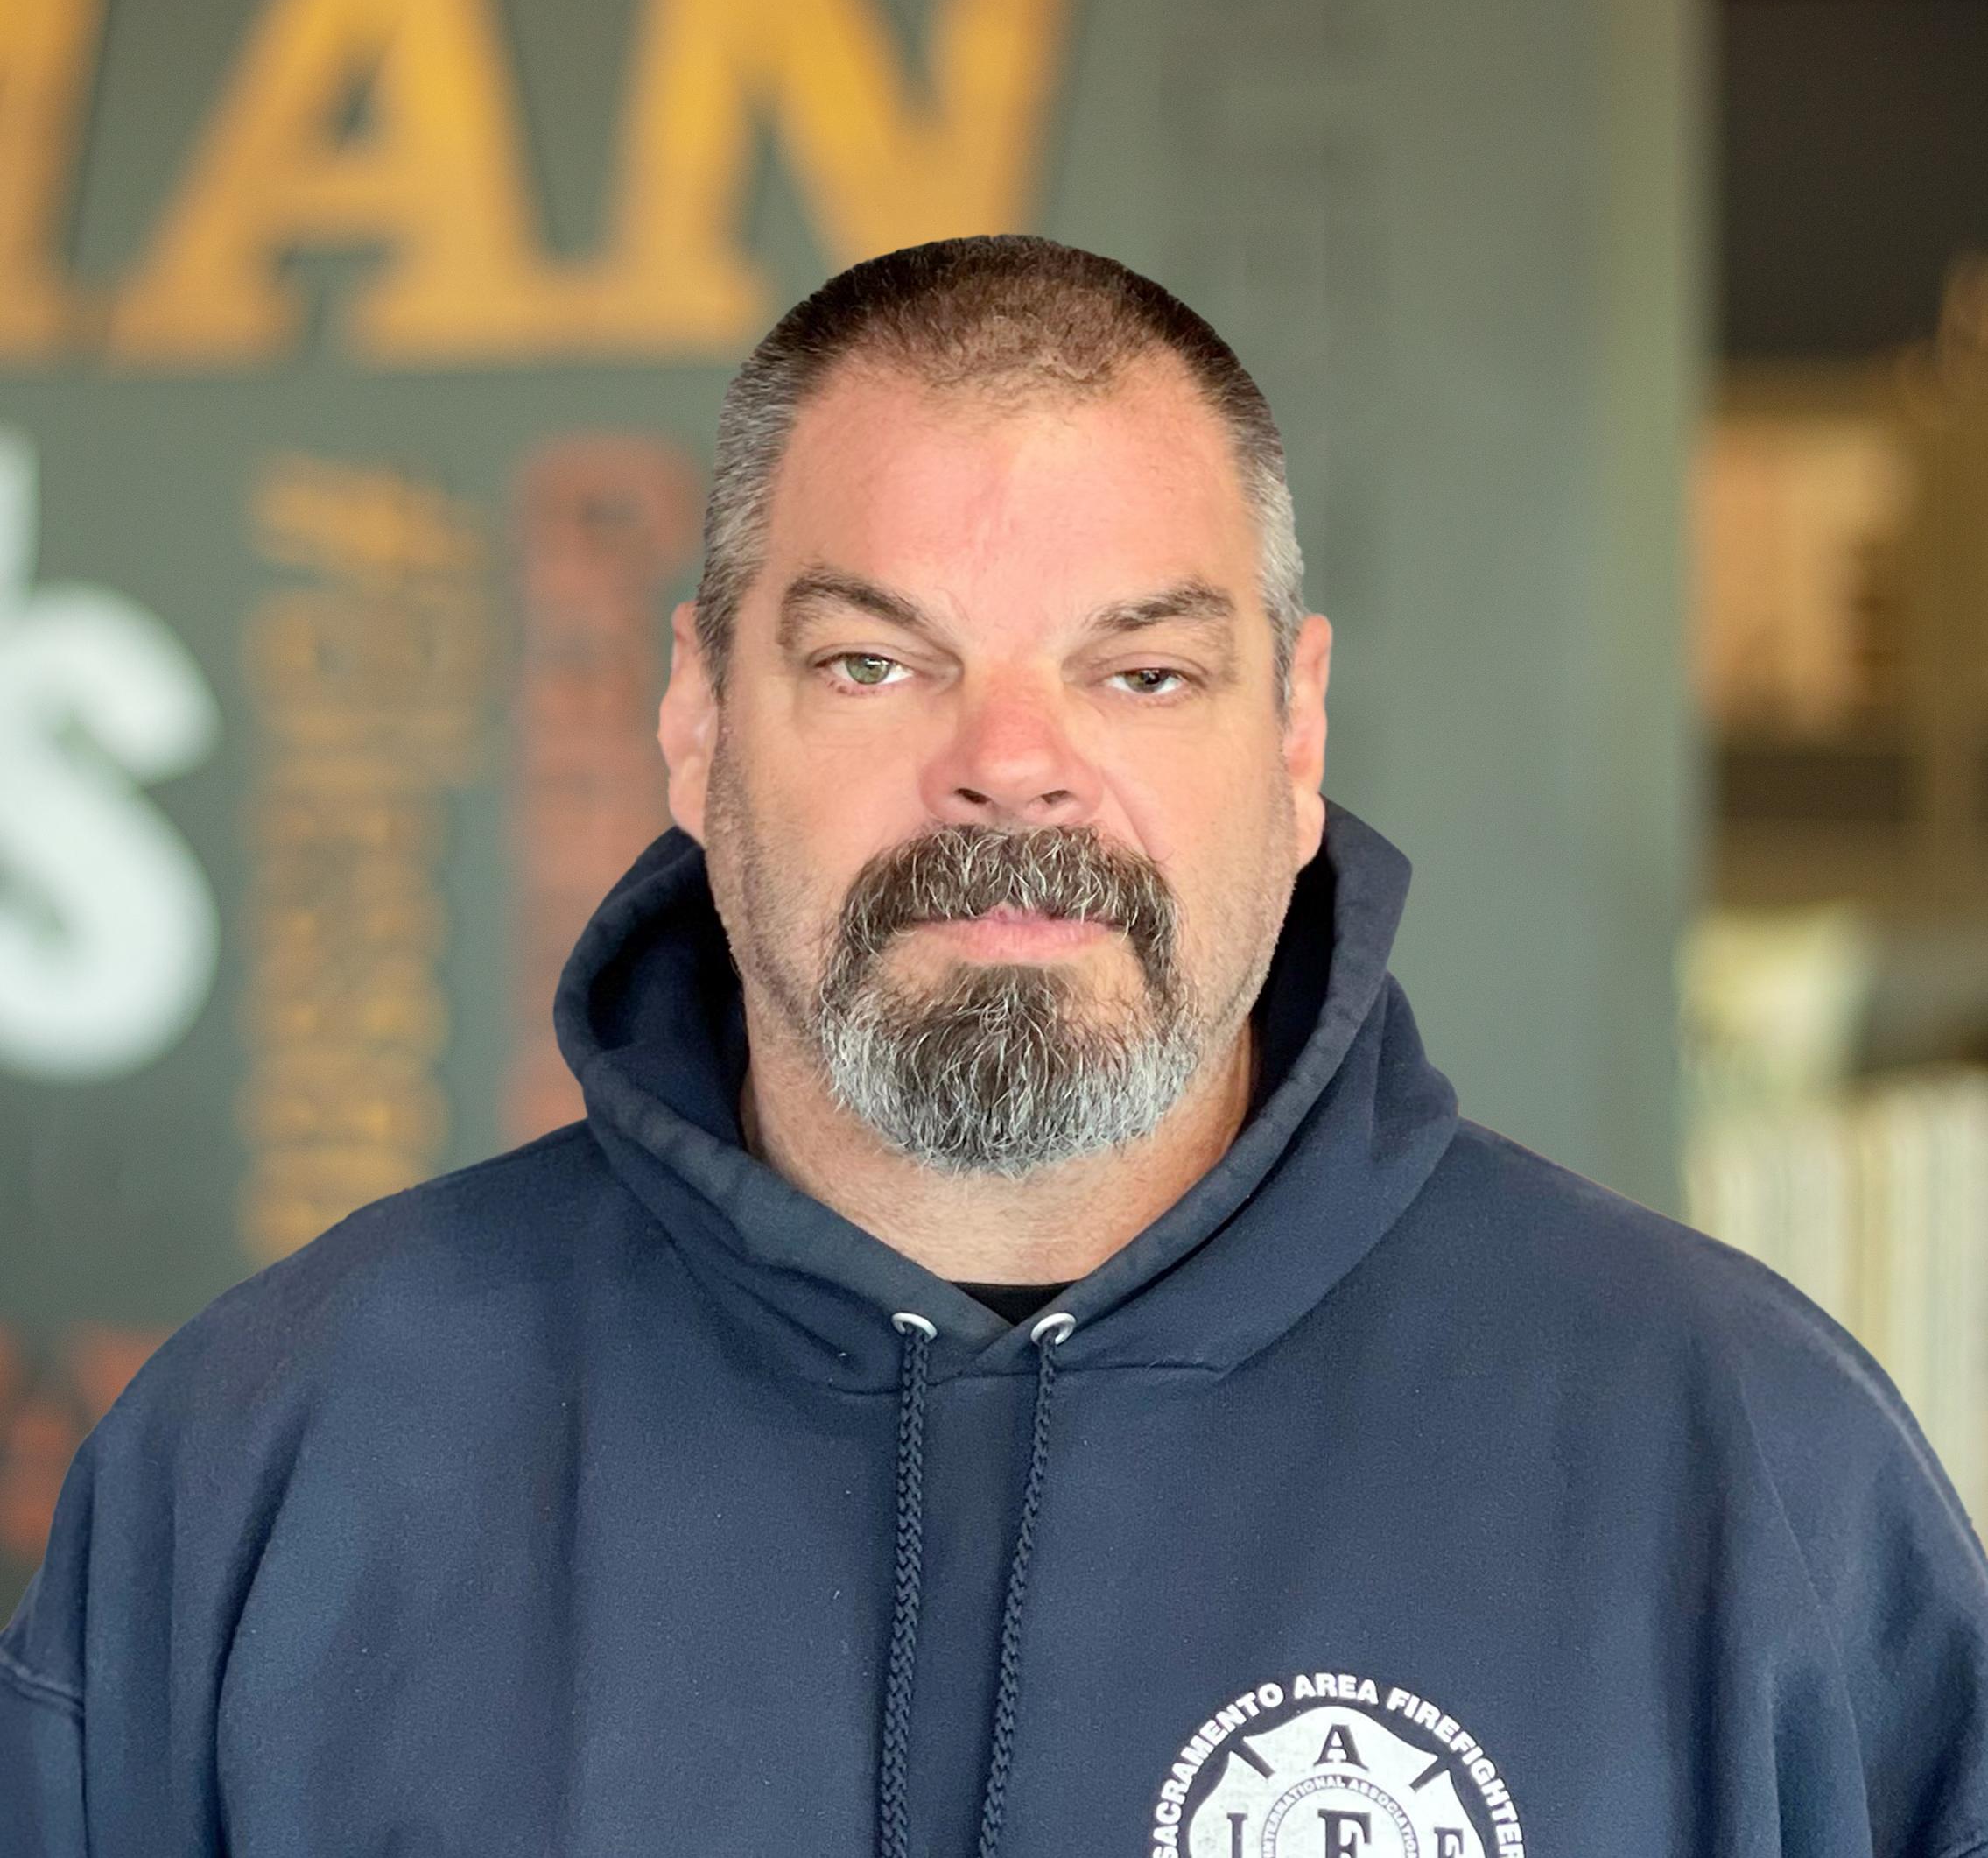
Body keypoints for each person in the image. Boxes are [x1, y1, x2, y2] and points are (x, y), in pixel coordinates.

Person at [4, 236, 1985, 1858]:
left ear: (1290, 735)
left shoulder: (1732, 1463)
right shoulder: (276, 1456)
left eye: (1140, 668)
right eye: (877, 661)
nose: (1011, 765)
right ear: (696, 713)